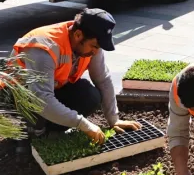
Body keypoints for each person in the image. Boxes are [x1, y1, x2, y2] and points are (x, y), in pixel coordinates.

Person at [8, 9, 141, 144]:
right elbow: (41, 99)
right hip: (19, 96)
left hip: (50, 89)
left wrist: (113, 119)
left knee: (90, 95)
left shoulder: (90, 44)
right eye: (94, 46)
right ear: (78, 35)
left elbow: (103, 80)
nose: (95, 52)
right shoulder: (44, 48)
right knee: (37, 109)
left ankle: (50, 128)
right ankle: (30, 133)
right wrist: (82, 124)